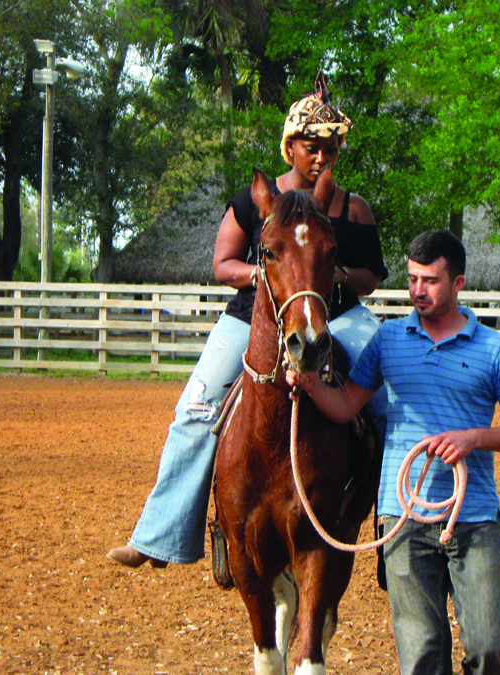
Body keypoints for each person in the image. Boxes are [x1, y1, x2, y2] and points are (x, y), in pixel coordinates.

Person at [107, 84, 389, 569]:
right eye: (311, 146)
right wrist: (272, 274)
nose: (321, 156)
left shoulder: (352, 208)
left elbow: (372, 276)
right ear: (291, 146)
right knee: (195, 408)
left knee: (388, 401)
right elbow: (223, 264)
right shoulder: (256, 199)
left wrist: (334, 275)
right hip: (255, 316)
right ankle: (161, 533)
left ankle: (393, 532)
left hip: (338, 315)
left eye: (330, 147)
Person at [286, 230, 500, 675]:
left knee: (490, 644)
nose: (418, 290)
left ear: (458, 284)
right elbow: (347, 405)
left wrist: (472, 438)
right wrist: (308, 384)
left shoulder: (495, 349)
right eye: (412, 279)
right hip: (402, 516)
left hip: (474, 514)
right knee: (421, 654)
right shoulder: (388, 339)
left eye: (431, 281)